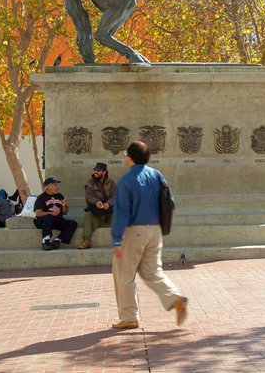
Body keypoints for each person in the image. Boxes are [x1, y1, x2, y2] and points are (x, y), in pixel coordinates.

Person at [110, 140, 188, 330]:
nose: (124, 157)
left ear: (130, 157)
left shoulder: (126, 181)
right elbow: (168, 201)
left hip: (134, 231)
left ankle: (129, 317)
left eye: (125, 154)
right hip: (155, 230)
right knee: (152, 272)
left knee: (124, 274)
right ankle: (175, 298)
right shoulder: (156, 174)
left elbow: (122, 212)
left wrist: (117, 239)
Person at [34, 177, 78, 251]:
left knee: (73, 223)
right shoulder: (41, 197)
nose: (57, 187)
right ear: (48, 187)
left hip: (57, 221)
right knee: (48, 217)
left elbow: (65, 212)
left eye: (57, 185)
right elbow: (38, 214)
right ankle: (45, 241)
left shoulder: (60, 196)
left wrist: (63, 205)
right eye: (54, 185)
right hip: (43, 222)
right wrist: (51, 213)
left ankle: (57, 241)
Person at [79, 162, 115, 249]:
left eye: (98, 171)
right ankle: (86, 241)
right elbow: (89, 196)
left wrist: (108, 203)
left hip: (109, 211)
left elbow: (116, 196)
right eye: (95, 170)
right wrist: (96, 202)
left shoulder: (112, 183)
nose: (96, 172)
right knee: (88, 216)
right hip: (96, 212)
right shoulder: (90, 182)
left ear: (104, 172)